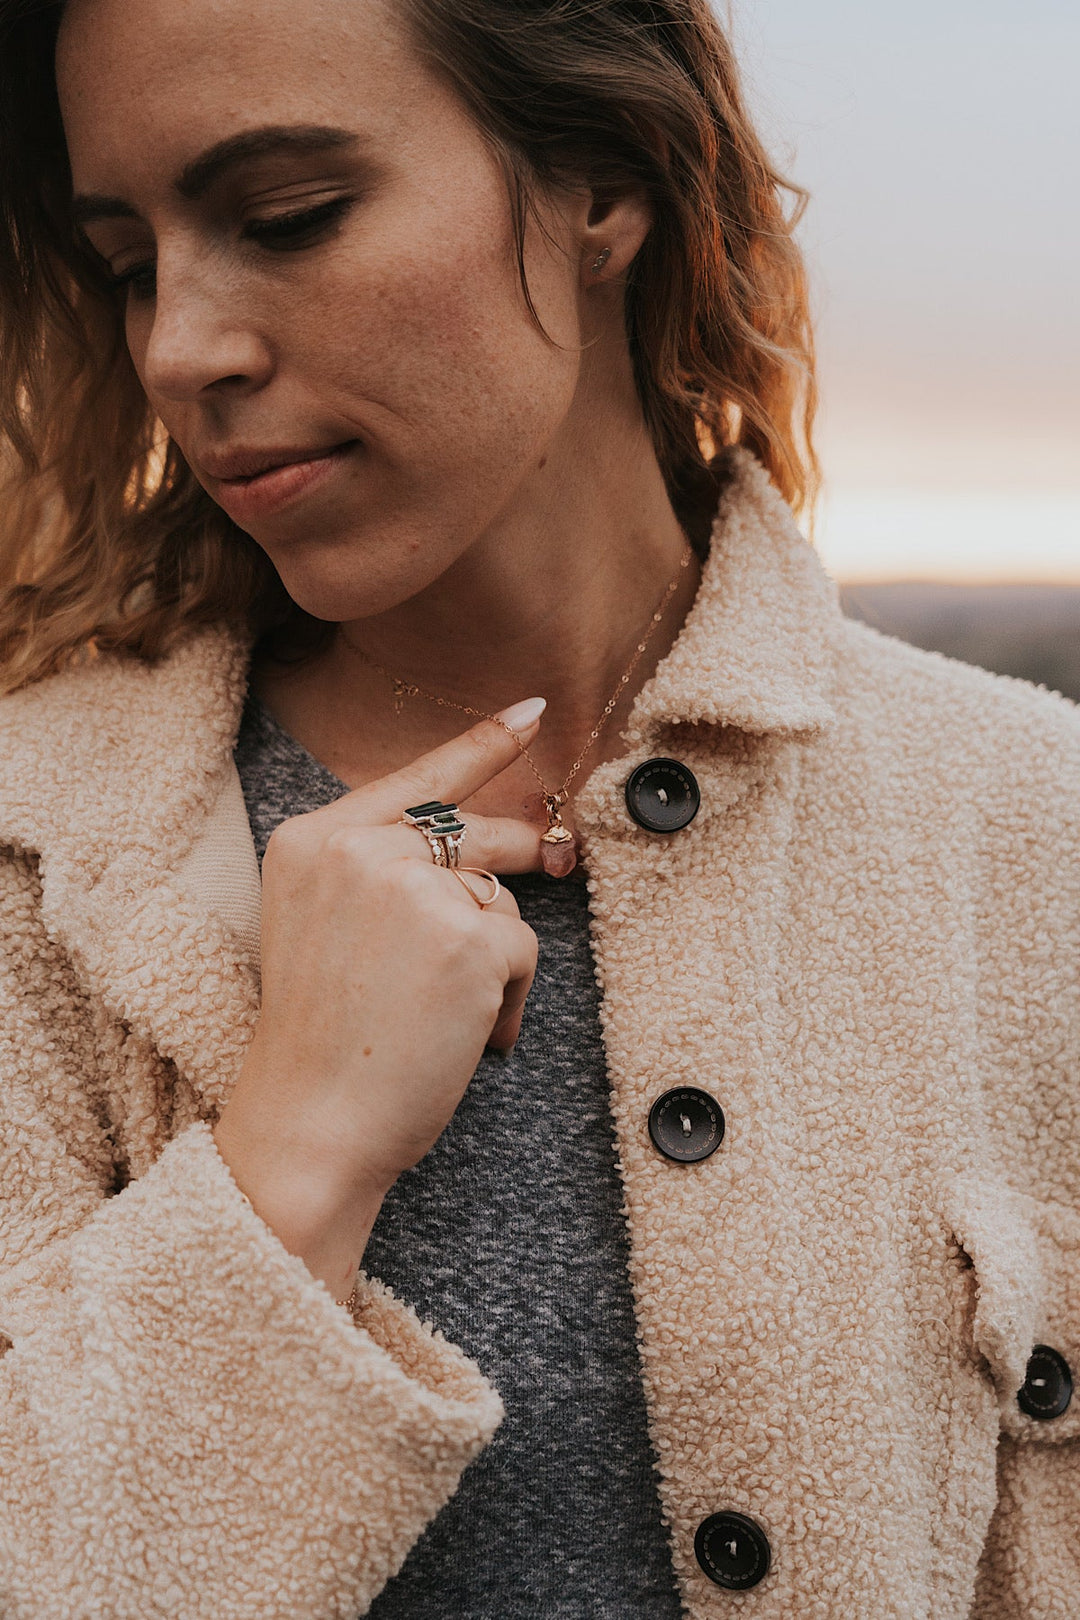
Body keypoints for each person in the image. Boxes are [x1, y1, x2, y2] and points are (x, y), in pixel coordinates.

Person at [0, 0, 1077, 1615]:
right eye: (131, 263)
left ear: (602, 182)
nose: (181, 347)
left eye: (287, 216)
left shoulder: (1031, 828)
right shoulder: (34, 880)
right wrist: (291, 1159)